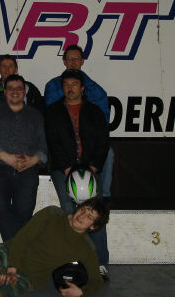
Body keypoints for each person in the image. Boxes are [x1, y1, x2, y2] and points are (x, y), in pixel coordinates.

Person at [45, 69, 111, 280]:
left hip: (90, 169)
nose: (70, 88)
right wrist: (67, 168)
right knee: (68, 211)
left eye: (74, 84)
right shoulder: (53, 112)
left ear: (82, 88)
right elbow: (52, 142)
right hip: (63, 169)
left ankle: (99, 262)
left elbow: (103, 141)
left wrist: (93, 167)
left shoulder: (95, 111)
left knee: (94, 213)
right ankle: (70, 261)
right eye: (66, 85)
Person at [0, 74, 48, 241]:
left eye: (19, 88)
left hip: (28, 171)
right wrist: (8, 158)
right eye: (10, 88)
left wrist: (33, 160)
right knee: (2, 211)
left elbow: (43, 142)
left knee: (24, 213)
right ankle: (15, 251)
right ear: (5, 92)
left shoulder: (35, 114)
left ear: (24, 91)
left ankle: (14, 253)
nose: (15, 91)